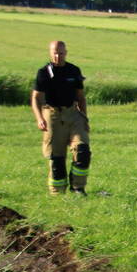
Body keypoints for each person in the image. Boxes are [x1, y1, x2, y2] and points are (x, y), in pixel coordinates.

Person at [30, 40, 91, 195]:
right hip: (52, 115)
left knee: (82, 151)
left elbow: (81, 98)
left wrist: (84, 118)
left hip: (73, 114)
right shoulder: (43, 73)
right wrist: (39, 118)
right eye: (55, 53)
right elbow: (36, 98)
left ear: (66, 53)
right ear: (50, 53)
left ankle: (78, 188)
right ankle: (58, 193)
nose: (58, 56)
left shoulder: (74, 71)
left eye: (61, 53)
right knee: (57, 160)